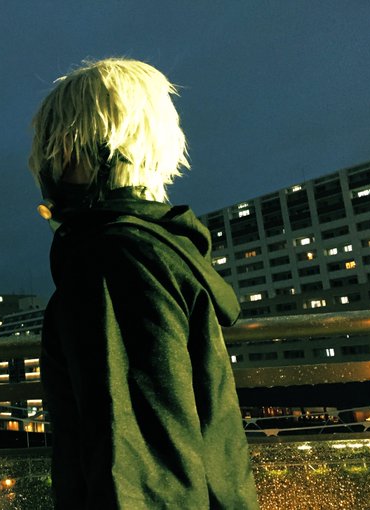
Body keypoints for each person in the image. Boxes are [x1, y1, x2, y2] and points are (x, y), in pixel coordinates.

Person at [28, 58, 260, 509]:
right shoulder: (165, 248)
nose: (49, 165)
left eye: (57, 146)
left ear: (87, 149)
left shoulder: (110, 259)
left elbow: (131, 458)